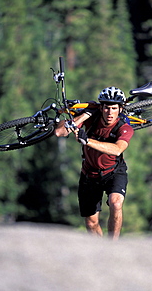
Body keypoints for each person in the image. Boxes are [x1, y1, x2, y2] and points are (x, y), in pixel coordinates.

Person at [54, 86, 134, 240]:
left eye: (113, 108)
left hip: (113, 172)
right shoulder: (92, 118)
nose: (109, 113)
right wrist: (84, 115)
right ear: (100, 107)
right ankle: (100, 250)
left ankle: (113, 245)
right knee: (91, 222)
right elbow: (60, 132)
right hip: (89, 174)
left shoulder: (124, 127)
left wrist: (87, 141)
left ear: (120, 109)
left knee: (116, 203)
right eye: (106, 108)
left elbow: (118, 149)